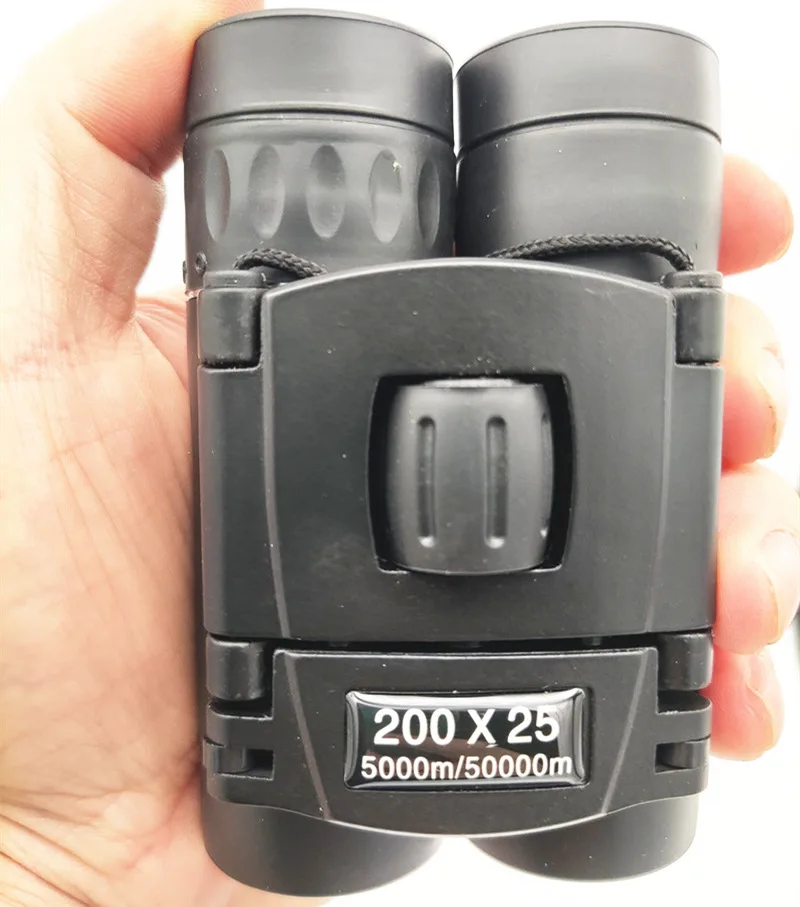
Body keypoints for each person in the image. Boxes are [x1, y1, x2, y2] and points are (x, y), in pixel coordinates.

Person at [0, 1, 798, 904]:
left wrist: (49, 860)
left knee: (312, 848)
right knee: (530, 843)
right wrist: (52, 851)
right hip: (254, 755)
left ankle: (317, 839)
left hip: (269, 722)